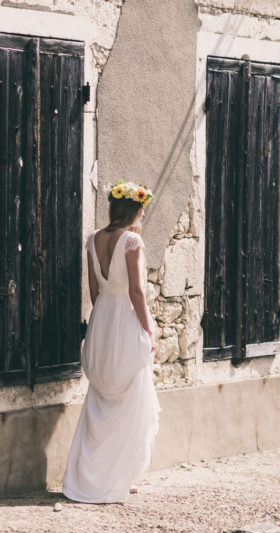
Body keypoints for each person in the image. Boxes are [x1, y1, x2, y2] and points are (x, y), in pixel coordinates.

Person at [61, 179, 161, 504]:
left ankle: (87, 477)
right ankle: (116, 477)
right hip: (123, 319)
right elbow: (136, 291)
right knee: (128, 401)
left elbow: (93, 290)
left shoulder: (92, 239)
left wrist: (101, 319)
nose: (144, 213)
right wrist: (148, 329)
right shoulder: (131, 241)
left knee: (101, 400)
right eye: (141, 208)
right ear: (133, 208)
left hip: (101, 318)